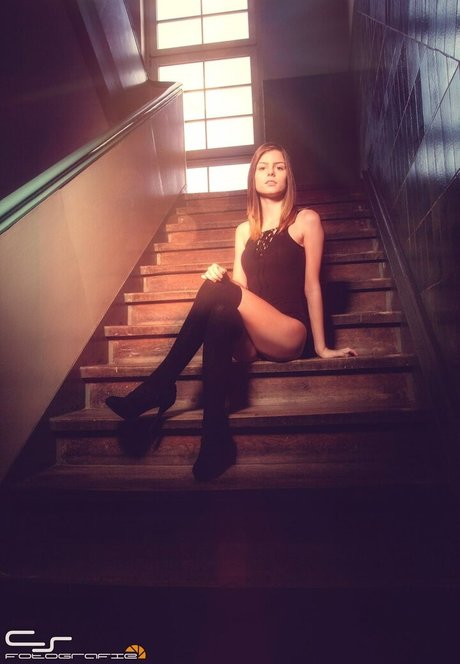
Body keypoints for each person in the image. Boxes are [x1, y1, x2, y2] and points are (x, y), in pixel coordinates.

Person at [105, 143, 356, 481]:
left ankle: (159, 386)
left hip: (288, 332)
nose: (270, 172)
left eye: (279, 167)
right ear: (252, 177)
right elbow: (240, 289)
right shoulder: (243, 230)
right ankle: (215, 438)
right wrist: (219, 277)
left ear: (289, 176)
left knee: (219, 293)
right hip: (252, 339)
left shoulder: (305, 220)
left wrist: (323, 347)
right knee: (221, 308)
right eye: (262, 167)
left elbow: (313, 285)